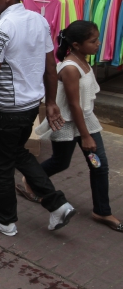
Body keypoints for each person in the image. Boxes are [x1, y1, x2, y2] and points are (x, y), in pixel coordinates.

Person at [0, 0, 74, 236]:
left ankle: (4, 219)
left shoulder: (0, 30)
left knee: (0, 164)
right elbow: (50, 67)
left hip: (4, 111)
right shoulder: (38, 21)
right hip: (28, 107)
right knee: (18, 153)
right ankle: (57, 205)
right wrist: (49, 102)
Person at [28, 21, 121, 233]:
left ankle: (102, 211)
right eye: (93, 41)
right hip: (68, 123)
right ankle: (31, 178)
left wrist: (88, 131)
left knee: (100, 166)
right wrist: (86, 136)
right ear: (77, 45)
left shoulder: (85, 61)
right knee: (61, 162)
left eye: (97, 39)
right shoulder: (71, 68)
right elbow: (74, 105)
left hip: (85, 119)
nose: (98, 44)